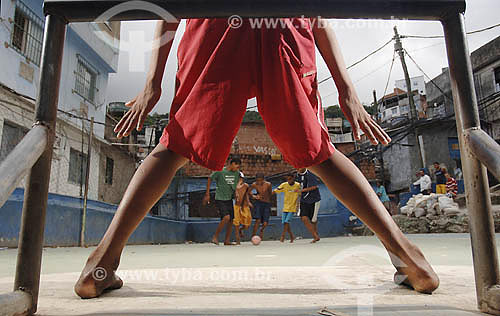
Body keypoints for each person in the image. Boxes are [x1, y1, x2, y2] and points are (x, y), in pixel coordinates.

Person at [74, 17, 439, 299]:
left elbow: (170, 9)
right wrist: (346, 89)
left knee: (174, 147)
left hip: (217, 22)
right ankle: (409, 259)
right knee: (320, 154)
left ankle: (100, 265)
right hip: (280, 23)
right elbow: (317, 15)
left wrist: (153, 80)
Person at [204, 158, 241, 245]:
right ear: (231, 164)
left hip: (229, 198)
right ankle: (215, 237)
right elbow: (210, 178)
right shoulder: (220, 171)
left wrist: (236, 194)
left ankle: (227, 240)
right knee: (226, 217)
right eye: (236, 166)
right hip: (220, 198)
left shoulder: (236, 173)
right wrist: (207, 194)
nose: (237, 168)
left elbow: (234, 185)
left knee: (231, 219)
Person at [273, 173, 301, 243]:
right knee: (285, 223)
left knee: (286, 222)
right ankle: (292, 236)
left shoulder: (298, 185)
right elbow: (276, 190)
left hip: (293, 207)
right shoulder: (284, 185)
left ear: (293, 178)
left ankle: (283, 236)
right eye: (287, 179)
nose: (289, 181)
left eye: (290, 179)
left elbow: (300, 195)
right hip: (285, 207)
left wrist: (298, 205)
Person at [297, 168, 321, 242]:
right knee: (304, 218)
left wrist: (301, 191)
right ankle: (315, 236)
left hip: (314, 199)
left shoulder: (311, 174)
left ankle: (315, 234)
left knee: (313, 220)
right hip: (303, 200)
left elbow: (314, 186)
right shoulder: (297, 175)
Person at [250, 173, 273, 239]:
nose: (259, 182)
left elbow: (270, 194)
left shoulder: (268, 184)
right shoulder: (254, 184)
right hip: (258, 203)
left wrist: (266, 198)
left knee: (265, 223)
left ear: (263, 179)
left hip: (266, 204)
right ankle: (253, 235)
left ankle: (261, 230)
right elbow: (248, 192)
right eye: (258, 180)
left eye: (261, 180)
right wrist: (254, 196)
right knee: (258, 220)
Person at [233, 172, 253, 244]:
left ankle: (241, 229)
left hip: (244, 206)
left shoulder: (246, 186)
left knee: (247, 224)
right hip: (237, 206)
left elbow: (247, 194)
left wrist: (249, 201)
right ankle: (238, 240)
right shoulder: (233, 186)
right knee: (236, 223)